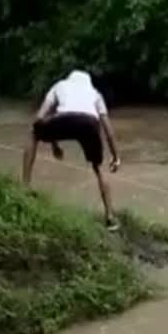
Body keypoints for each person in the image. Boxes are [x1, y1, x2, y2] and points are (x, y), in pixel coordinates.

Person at [23, 70, 121, 231]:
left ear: (69, 79)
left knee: (33, 133)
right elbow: (108, 130)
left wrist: (54, 144)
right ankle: (110, 216)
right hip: (89, 124)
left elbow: (39, 118)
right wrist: (116, 157)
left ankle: (25, 187)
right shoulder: (95, 93)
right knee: (99, 168)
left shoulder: (59, 86)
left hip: (64, 119)